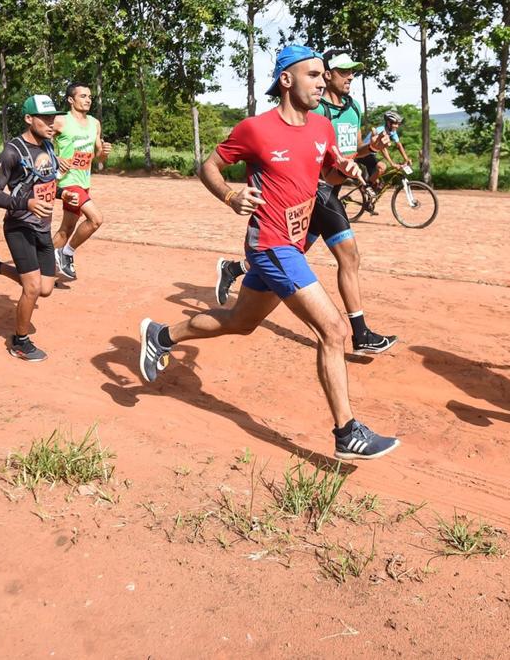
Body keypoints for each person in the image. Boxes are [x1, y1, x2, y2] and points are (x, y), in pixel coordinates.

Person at [139, 45, 401, 461]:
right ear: (286, 80)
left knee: (241, 322)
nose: (321, 81)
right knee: (333, 330)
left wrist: (348, 168)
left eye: (322, 75)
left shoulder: (321, 127)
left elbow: (326, 172)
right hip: (271, 245)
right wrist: (229, 195)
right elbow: (208, 166)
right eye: (313, 75)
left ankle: (161, 335)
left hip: (293, 243)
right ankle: (346, 432)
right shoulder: (255, 129)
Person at [214, 48, 397, 354]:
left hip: (312, 198)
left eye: (352, 70)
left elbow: (339, 157)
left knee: (245, 317)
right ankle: (360, 333)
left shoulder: (350, 111)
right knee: (345, 258)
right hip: (319, 193)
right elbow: (214, 164)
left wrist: (367, 150)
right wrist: (231, 195)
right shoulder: (313, 110)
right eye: (341, 71)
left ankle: (235, 269)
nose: (348, 76)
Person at [0, 94, 65, 362]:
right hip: (19, 225)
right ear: (28, 118)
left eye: (52, 117)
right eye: (44, 118)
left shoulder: (48, 146)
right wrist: (27, 204)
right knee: (31, 288)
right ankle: (20, 343)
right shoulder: (13, 151)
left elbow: (44, 185)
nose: (50, 123)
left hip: (42, 227)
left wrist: (63, 194)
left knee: (45, 288)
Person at [51, 82, 111, 281]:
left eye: (90, 97)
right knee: (96, 219)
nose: (88, 100)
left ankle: (45, 269)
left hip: (84, 182)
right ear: (71, 99)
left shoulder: (95, 123)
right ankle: (66, 253)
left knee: (65, 230)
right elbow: (37, 140)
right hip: (67, 182)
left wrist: (104, 152)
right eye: (83, 96)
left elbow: (98, 157)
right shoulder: (60, 121)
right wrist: (56, 159)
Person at [357, 110, 411, 193]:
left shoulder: (392, 131)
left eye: (398, 124)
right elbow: (383, 149)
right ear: (388, 123)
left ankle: (368, 201)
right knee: (382, 167)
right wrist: (392, 163)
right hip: (363, 153)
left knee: (377, 183)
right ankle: (365, 187)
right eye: (395, 123)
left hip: (371, 155)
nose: (397, 126)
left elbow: (398, 145)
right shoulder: (380, 131)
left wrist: (406, 158)